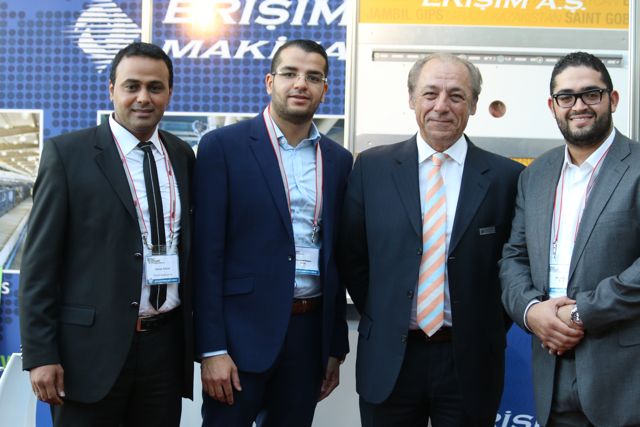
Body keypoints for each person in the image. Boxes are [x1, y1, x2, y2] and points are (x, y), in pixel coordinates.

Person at [339, 52, 523, 426]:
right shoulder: (372, 168)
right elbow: (352, 256)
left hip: (470, 362)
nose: (441, 106)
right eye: (430, 93)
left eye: (456, 95)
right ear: (412, 99)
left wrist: (483, 325)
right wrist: (386, 312)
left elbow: (514, 265)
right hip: (389, 359)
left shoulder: (507, 178)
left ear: (473, 104)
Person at [19, 42, 195, 426]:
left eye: (155, 87)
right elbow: (39, 265)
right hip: (88, 355)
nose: (143, 97)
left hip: (164, 352)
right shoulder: (68, 155)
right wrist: (41, 354)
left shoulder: (182, 155)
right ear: (112, 89)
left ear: (169, 92)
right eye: (132, 86)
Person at [193, 39, 352, 427]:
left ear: (325, 89)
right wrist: (211, 348)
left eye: (313, 77)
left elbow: (337, 256)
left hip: (308, 337)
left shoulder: (339, 160)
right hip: (239, 339)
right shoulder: (223, 147)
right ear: (269, 81)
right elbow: (206, 255)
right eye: (290, 73)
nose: (301, 84)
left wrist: (333, 346)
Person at [500, 51, 640, 426]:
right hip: (551, 370)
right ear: (553, 106)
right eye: (566, 97)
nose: (578, 106)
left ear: (612, 99)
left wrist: (581, 313)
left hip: (625, 378)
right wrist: (532, 312)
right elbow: (514, 258)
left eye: (591, 94)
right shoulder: (535, 175)